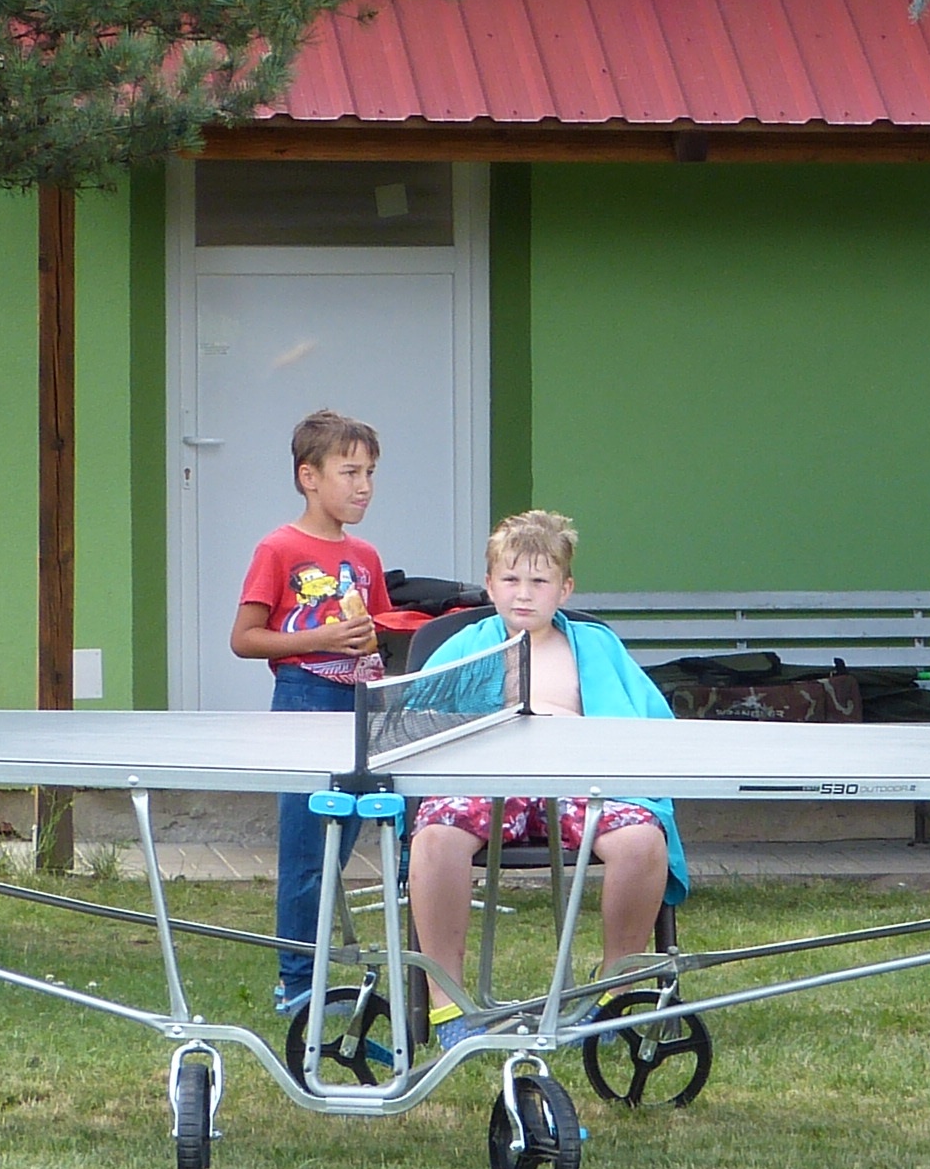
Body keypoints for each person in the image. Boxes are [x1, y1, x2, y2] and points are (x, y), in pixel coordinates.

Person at [402, 510, 689, 1045]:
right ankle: (448, 1007)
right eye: (510, 579)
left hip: (582, 782)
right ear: (490, 585)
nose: (523, 594)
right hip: (488, 783)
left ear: (565, 589)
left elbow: (652, 721)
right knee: (435, 838)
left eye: (539, 581)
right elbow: (409, 718)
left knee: (642, 842)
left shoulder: (596, 645)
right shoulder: (465, 646)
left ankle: (614, 996)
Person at [231, 410, 386, 1014]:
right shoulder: (278, 548)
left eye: (370, 473)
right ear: (309, 477)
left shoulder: (366, 556)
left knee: (338, 848)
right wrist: (319, 640)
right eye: (350, 472)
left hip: (360, 705)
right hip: (302, 700)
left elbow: (380, 629)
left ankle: (320, 971)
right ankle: (296, 984)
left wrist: (381, 639)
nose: (363, 486)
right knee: (305, 852)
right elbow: (245, 639)